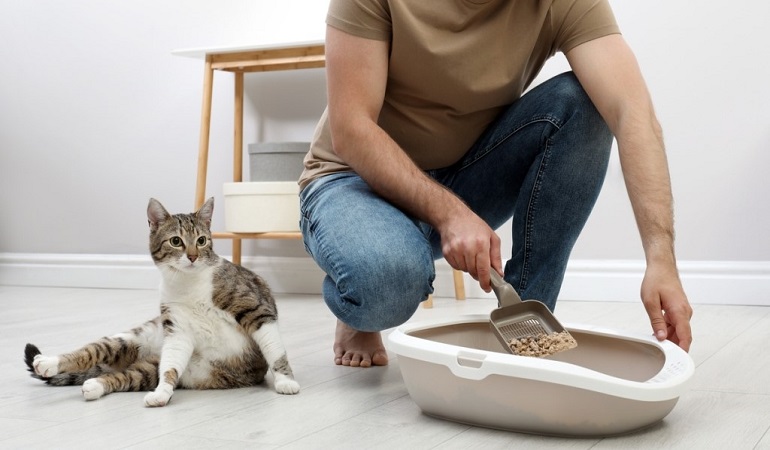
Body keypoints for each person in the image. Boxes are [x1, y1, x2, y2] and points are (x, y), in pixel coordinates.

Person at [299, 0, 693, 367]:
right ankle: (363, 303)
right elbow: (351, 130)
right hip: (352, 179)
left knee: (586, 103)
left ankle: (526, 320)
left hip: (464, 174)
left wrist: (661, 259)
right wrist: (450, 214)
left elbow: (632, 113)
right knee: (384, 285)